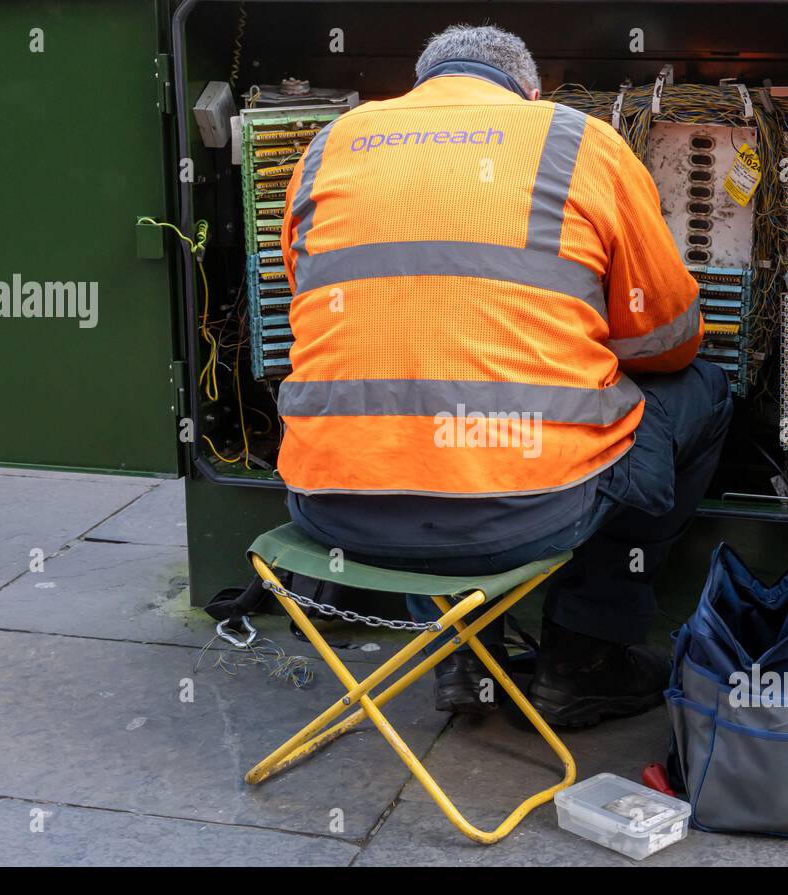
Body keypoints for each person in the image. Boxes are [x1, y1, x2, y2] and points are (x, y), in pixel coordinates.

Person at [277, 23, 732, 727]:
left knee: (423, 411)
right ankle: (584, 660)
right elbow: (664, 339)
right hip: (526, 512)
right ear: (530, 90)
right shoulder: (577, 140)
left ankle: (457, 654)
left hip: (328, 507)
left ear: (420, 83)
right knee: (699, 389)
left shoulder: (330, 145)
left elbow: (316, 303)